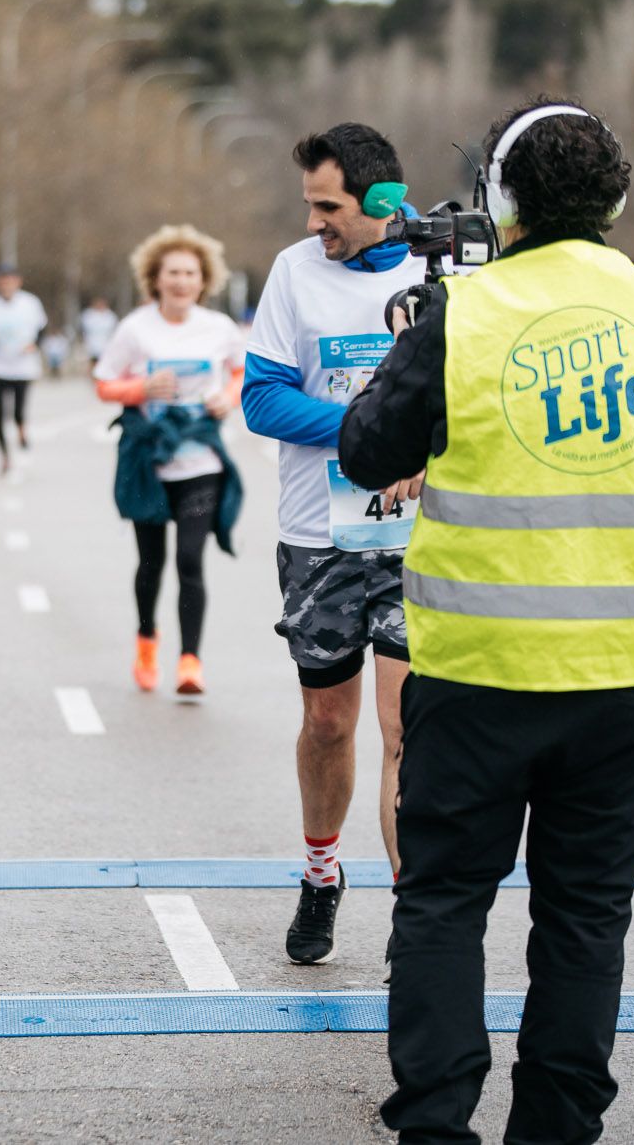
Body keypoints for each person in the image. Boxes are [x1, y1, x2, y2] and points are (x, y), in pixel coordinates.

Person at [340, 99, 634, 1142]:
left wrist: (416, 342)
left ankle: (434, 1123)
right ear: (617, 199)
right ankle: (554, 1128)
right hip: (633, 672)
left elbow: (366, 452)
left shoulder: (466, 316)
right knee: (585, 918)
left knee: (443, 903)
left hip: (480, 669)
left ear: (494, 200)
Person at [240, 122, 425, 970]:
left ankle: (413, 908)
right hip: (319, 535)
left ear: (382, 202)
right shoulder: (293, 271)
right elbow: (264, 400)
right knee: (327, 720)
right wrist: (371, 434)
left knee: (405, 726)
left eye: (329, 206)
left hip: (421, 539)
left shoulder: (445, 270)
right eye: (310, 205)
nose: (316, 222)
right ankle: (321, 871)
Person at [94, 225, 244, 697]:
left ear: (204, 281)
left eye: (190, 273)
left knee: (189, 560)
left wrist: (228, 396)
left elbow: (242, 372)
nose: (181, 281)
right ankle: (146, 642)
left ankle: (190, 661)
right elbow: (103, 382)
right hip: (149, 463)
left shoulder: (218, 328)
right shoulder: (136, 328)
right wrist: (139, 390)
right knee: (151, 563)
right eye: (172, 273)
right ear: (155, 279)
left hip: (200, 461)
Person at [0, 264, 47, 474]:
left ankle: (22, 431)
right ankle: (5, 456)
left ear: (18, 281)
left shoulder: (31, 303)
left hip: (23, 366)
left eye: (10, 280)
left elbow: (42, 329)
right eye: (2, 281)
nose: (6, 284)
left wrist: (34, 344)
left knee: (18, 410)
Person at [79, 296, 119, 365]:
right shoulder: (88, 315)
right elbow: (84, 329)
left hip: (106, 344)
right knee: (92, 362)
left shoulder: (110, 316)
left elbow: (114, 330)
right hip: (92, 344)